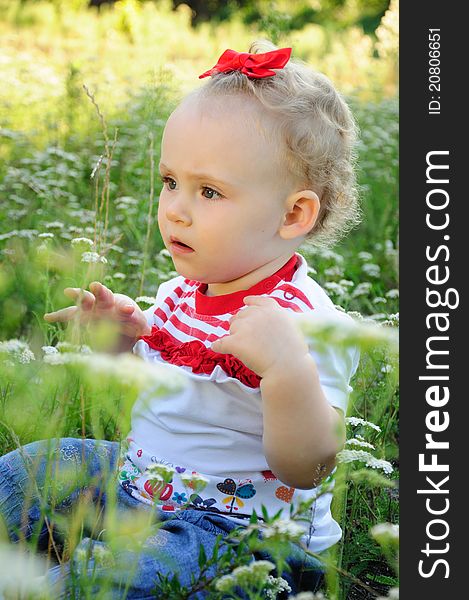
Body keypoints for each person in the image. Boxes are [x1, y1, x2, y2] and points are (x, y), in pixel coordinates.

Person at [0, 41, 360, 598]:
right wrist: (119, 344)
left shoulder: (303, 323)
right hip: (144, 486)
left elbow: (306, 467)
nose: (175, 208)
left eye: (209, 191)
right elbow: (159, 396)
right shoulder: (180, 293)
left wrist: (286, 370)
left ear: (293, 214)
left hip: (240, 533)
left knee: (122, 574)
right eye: (170, 181)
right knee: (44, 463)